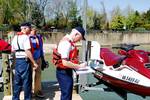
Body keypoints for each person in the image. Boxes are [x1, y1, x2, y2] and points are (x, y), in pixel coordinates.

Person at [53, 26, 87, 100]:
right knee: (66, 96)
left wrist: (77, 63)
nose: (79, 41)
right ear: (76, 34)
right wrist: (79, 66)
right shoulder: (66, 43)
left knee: (66, 94)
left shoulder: (68, 41)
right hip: (64, 73)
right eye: (80, 38)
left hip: (64, 72)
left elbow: (69, 58)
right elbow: (65, 63)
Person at [11, 22, 38, 100]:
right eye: (30, 28)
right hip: (24, 61)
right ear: (25, 28)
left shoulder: (15, 37)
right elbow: (27, 51)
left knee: (17, 82)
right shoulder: (25, 37)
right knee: (27, 83)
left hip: (17, 62)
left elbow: (13, 50)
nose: (30, 30)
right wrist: (34, 62)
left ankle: (15, 98)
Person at [29, 26, 45, 98]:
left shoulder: (39, 37)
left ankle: (38, 90)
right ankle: (32, 92)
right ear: (30, 30)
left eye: (36, 30)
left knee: (38, 75)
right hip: (31, 59)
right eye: (33, 30)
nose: (35, 31)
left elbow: (41, 48)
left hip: (39, 58)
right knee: (31, 75)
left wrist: (43, 58)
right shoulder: (27, 38)